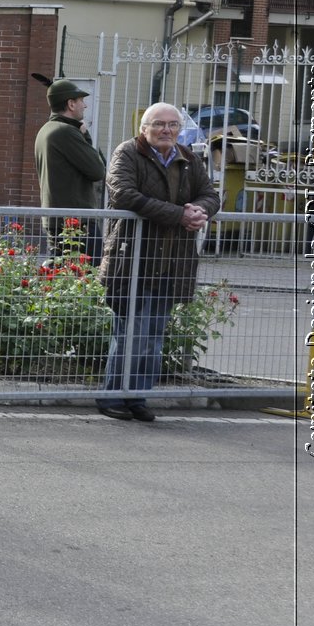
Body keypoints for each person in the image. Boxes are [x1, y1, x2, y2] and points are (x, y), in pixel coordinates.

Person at [96, 102, 218, 423]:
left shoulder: (188, 158)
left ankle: (137, 398)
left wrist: (199, 210)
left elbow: (210, 194)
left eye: (173, 125)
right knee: (129, 334)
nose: (167, 130)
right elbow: (123, 194)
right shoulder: (127, 153)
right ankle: (113, 397)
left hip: (171, 264)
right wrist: (180, 214)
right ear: (144, 128)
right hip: (131, 261)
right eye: (159, 124)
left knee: (153, 338)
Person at [33, 78, 106, 259]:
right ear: (71, 104)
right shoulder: (65, 132)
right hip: (74, 222)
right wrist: (85, 136)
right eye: (82, 100)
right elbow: (97, 170)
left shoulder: (47, 129)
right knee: (89, 279)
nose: (85, 106)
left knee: (63, 277)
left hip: (60, 218)